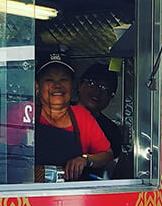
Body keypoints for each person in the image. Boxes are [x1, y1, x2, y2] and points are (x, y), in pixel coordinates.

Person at [32, 52, 112, 181]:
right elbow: (2, 159)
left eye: (64, 79)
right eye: (49, 80)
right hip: (30, 191)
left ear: (72, 85)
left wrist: (85, 159)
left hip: (71, 192)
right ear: (37, 86)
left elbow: (107, 155)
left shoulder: (82, 116)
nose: (57, 85)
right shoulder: (25, 113)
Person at [78, 62, 129, 176]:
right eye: (92, 83)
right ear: (79, 85)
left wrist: (86, 160)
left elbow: (111, 167)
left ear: (111, 97)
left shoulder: (112, 131)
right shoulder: (59, 113)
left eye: (105, 89)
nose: (97, 92)